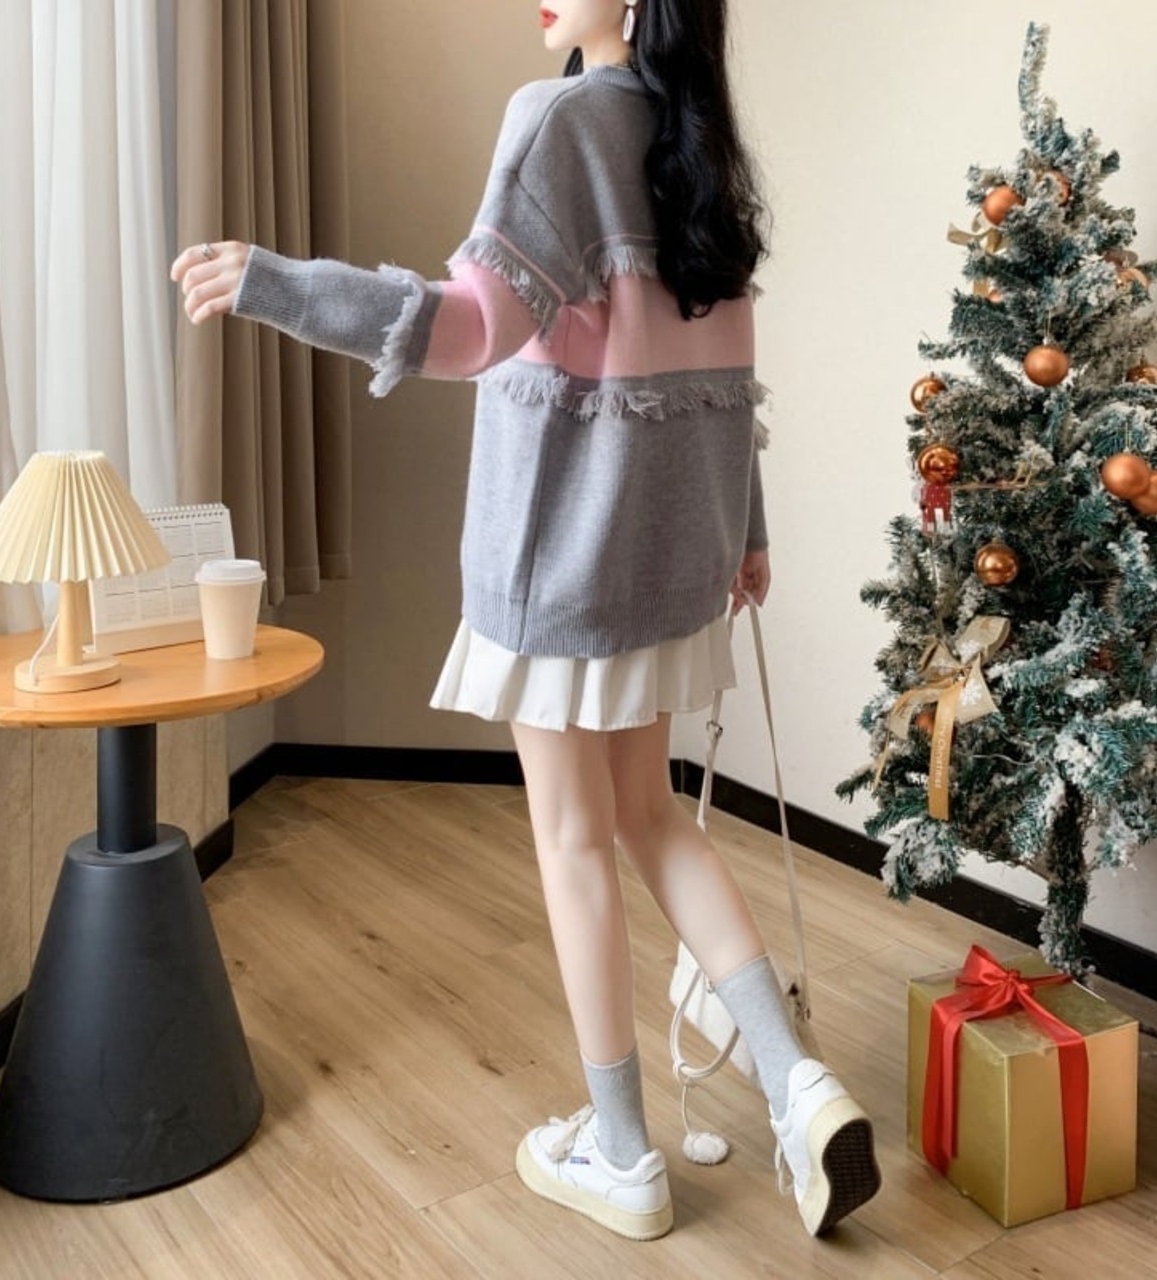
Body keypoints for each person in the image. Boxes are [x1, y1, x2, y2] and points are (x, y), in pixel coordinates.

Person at [172, 0, 880, 1243]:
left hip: (562, 559)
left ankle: (622, 1151)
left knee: (571, 838)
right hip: (673, 557)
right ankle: (797, 1084)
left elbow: (466, 329)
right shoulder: (697, 137)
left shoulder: (558, 119)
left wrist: (279, 286)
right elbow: (724, 377)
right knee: (649, 817)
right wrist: (746, 532)